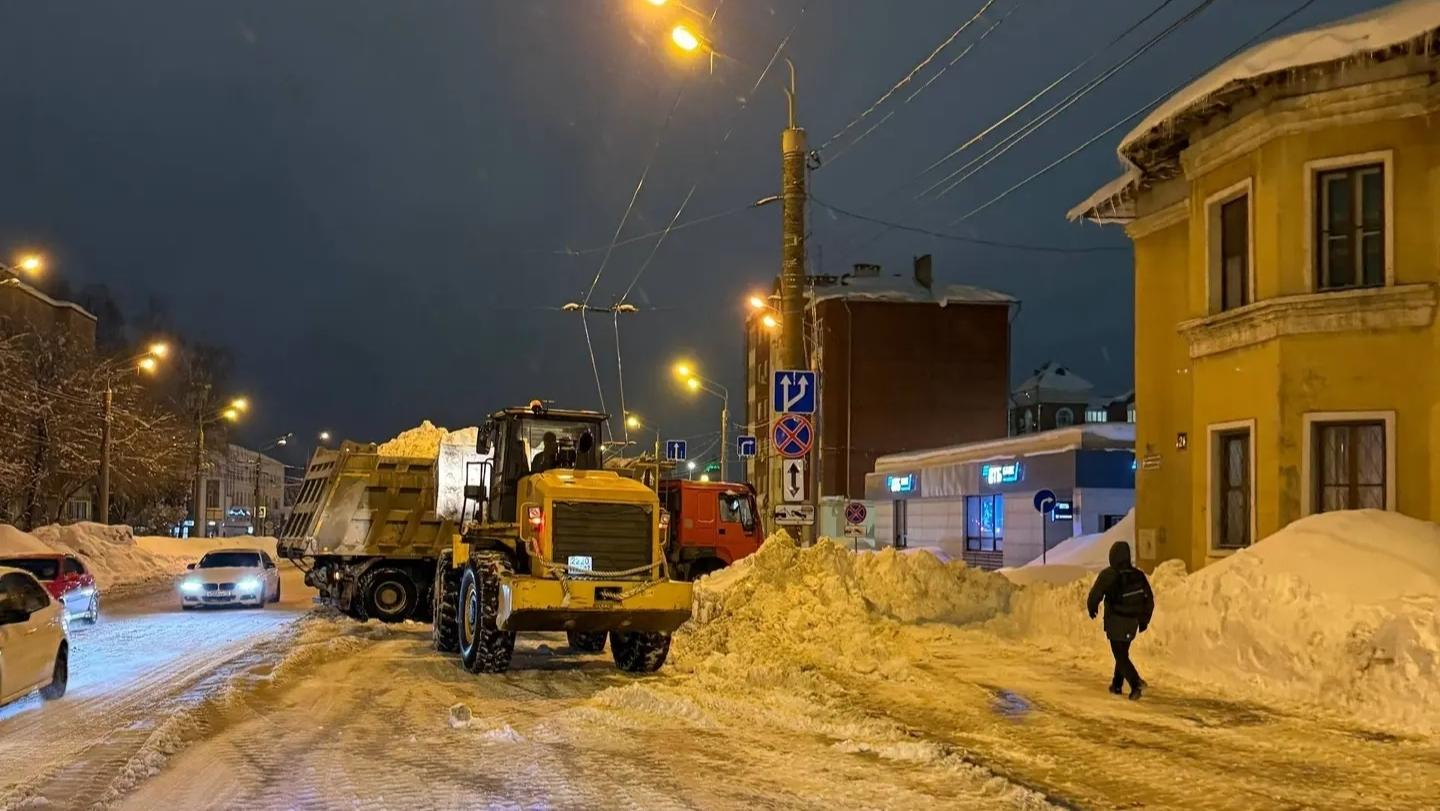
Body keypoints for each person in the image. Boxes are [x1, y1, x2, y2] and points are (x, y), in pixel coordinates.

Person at [1086, 540, 1155, 700]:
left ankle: (1135, 683)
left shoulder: (1109, 575)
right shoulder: (1137, 575)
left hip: (1116, 620)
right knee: (1122, 653)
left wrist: (1092, 608)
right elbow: (1149, 599)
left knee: (1120, 655)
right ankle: (1116, 685)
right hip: (1132, 622)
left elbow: (1095, 594)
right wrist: (1144, 619)